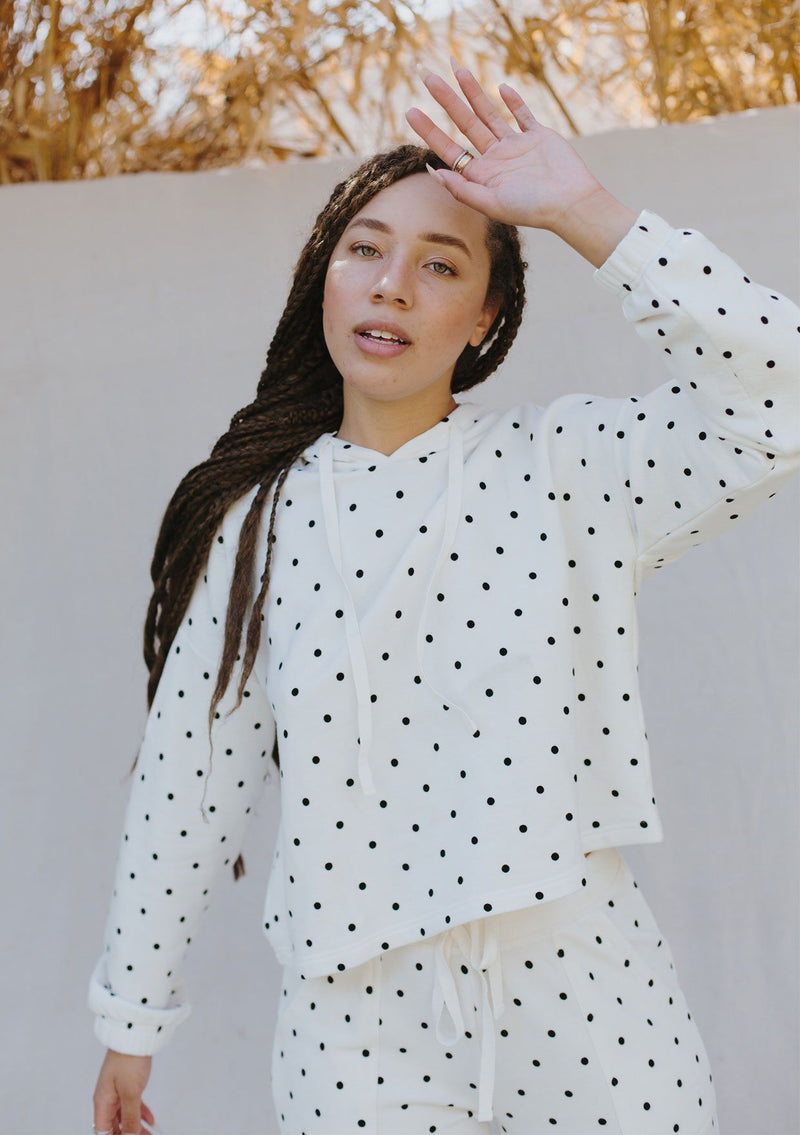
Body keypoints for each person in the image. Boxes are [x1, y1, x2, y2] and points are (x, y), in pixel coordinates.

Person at [89, 62, 799, 1135]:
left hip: (585, 995)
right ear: (320, 279)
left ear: (485, 316)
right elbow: (190, 779)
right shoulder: (257, 529)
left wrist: (582, 212)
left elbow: (777, 397)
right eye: (364, 250)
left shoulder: (568, 467)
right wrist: (130, 1020)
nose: (390, 285)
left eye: (439, 263)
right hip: (355, 1028)